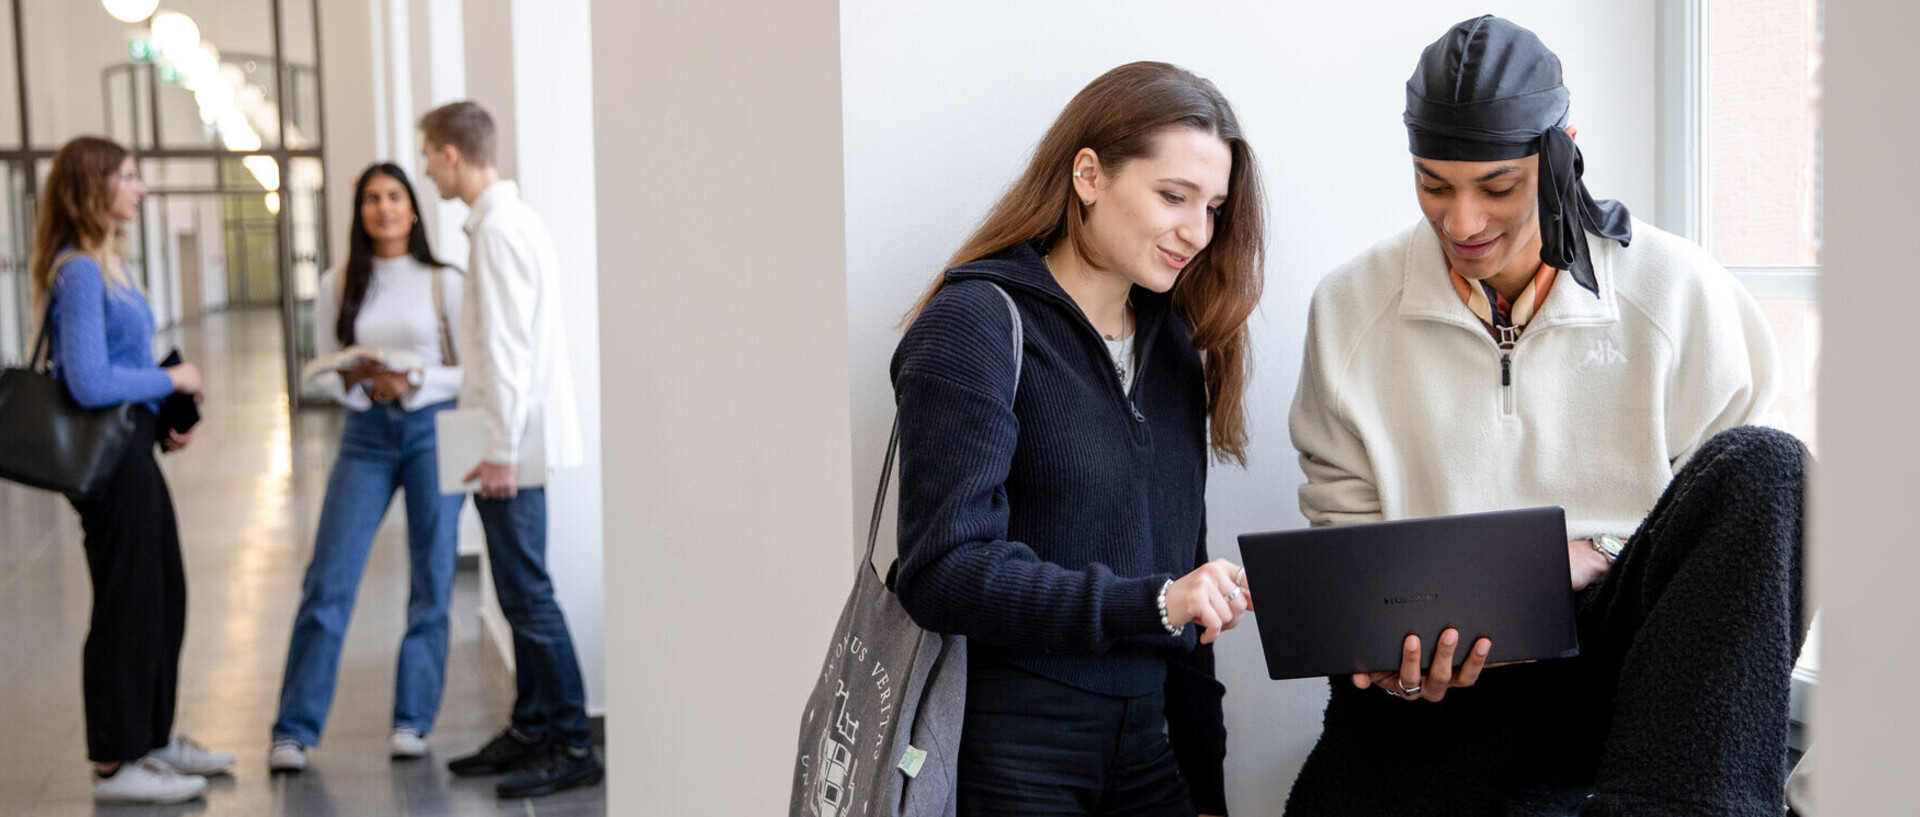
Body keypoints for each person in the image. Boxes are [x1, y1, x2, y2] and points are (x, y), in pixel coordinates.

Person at [1283, 16, 1807, 816]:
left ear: (1562, 148)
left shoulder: (1674, 289)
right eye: (1433, 184)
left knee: (1766, 463)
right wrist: (1383, 650)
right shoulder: (1351, 308)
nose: (1462, 222)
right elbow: (1344, 544)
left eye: (1498, 187)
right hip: (1448, 690)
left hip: (1637, 679)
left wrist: (1595, 550)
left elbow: (1759, 553)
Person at [891, 62, 1265, 817]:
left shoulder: (1177, 349)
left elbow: (1186, 584)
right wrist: (1151, 603)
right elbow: (942, 569)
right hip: (1011, 750)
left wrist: (1208, 788)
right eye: (1173, 196)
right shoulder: (978, 324)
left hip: (1150, 746)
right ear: (1089, 175)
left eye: (1214, 207)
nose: (1197, 232)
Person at [31, 136, 233, 804]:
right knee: (127, 600)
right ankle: (118, 762)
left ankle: (152, 736)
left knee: (162, 592)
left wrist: (160, 405)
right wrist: (172, 374)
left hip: (133, 447)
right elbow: (87, 380)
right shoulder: (81, 271)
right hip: (111, 462)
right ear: (92, 188)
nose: (140, 189)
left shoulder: (104, 262)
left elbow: (112, 370)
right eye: (128, 176)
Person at [415, 100, 599, 799]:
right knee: (521, 589)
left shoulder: (497, 233)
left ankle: (573, 740)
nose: (427, 167)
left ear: (451, 154)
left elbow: (508, 354)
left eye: (428, 154)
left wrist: (497, 449)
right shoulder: (505, 224)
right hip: (511, 441)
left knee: (529, 592)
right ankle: (533, 723)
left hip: (511, 447)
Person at [267, 163, 466, 772]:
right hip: (366, 436)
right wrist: (358, 381)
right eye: (372, 199)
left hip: (434, 429)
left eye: (395, 197)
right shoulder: (338, 282)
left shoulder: (444, 281)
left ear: (412, 208)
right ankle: (293, 729)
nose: (383, 208)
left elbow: (469, 372)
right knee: (329, 579)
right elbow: (329, 365)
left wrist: (414, 378)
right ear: (359, 211)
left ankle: (413, 721)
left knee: (431, 579)